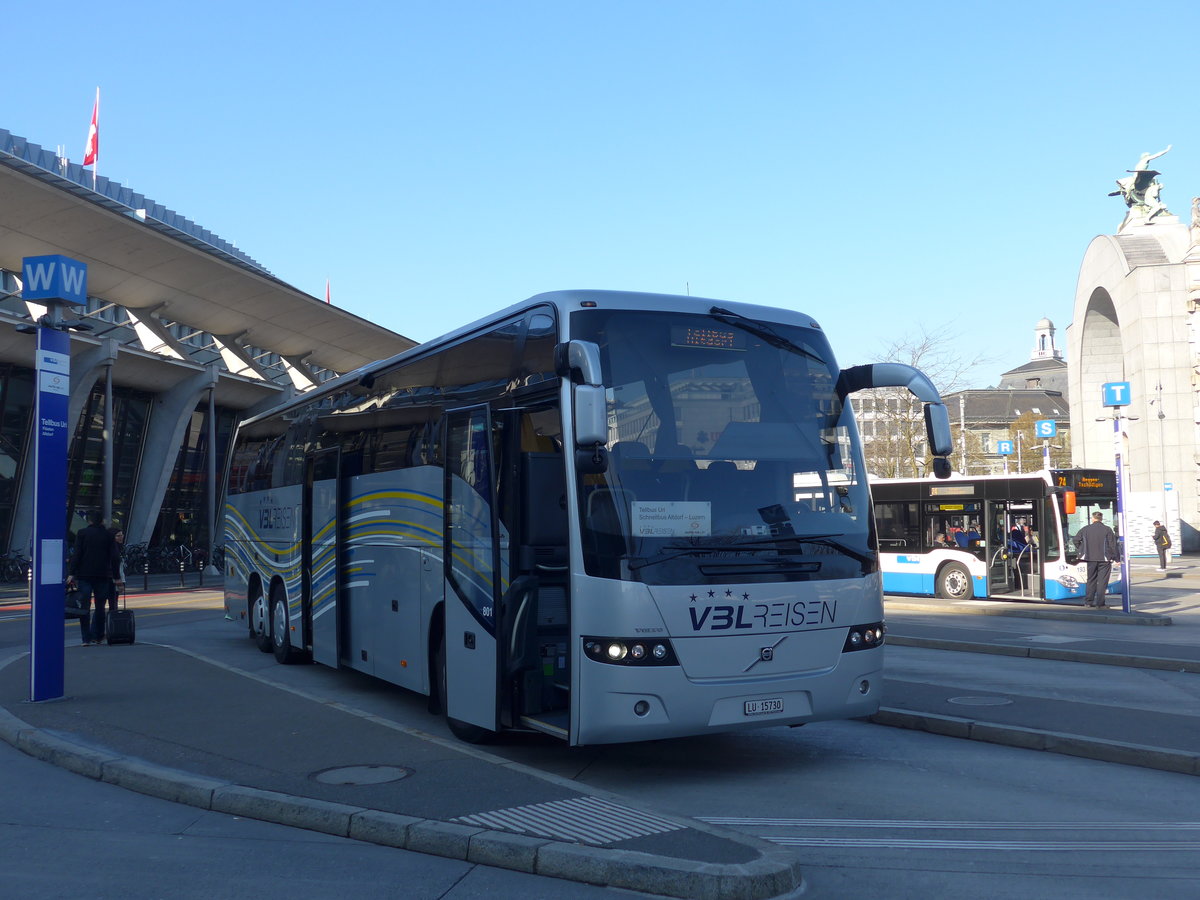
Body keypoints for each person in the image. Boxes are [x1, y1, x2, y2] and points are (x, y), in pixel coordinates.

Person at [65, 511, 123, 645]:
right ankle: (98, 635)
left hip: (84, 575)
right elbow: (115, 557)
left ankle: (86, 638)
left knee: (84, 606)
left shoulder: (82, 533)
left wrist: (71, 573)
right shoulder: (108, 535)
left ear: (90, 521)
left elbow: (77, 554)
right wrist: (117, 577)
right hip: (103, 575)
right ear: (102, 521)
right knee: (100, 606)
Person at [1074, 512, 1119, 608]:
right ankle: (1100, 603)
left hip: (1090, 558)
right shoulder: (1107, 529)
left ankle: (1088, 602)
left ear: (1093, 518)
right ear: (1101, 519)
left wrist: (1082, 550)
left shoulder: (1085, 529)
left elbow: (1076, 540)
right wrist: (1117, 558)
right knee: (1102, 582)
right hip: (1104, 559)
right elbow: (1113, 545)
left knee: (1091, 580)